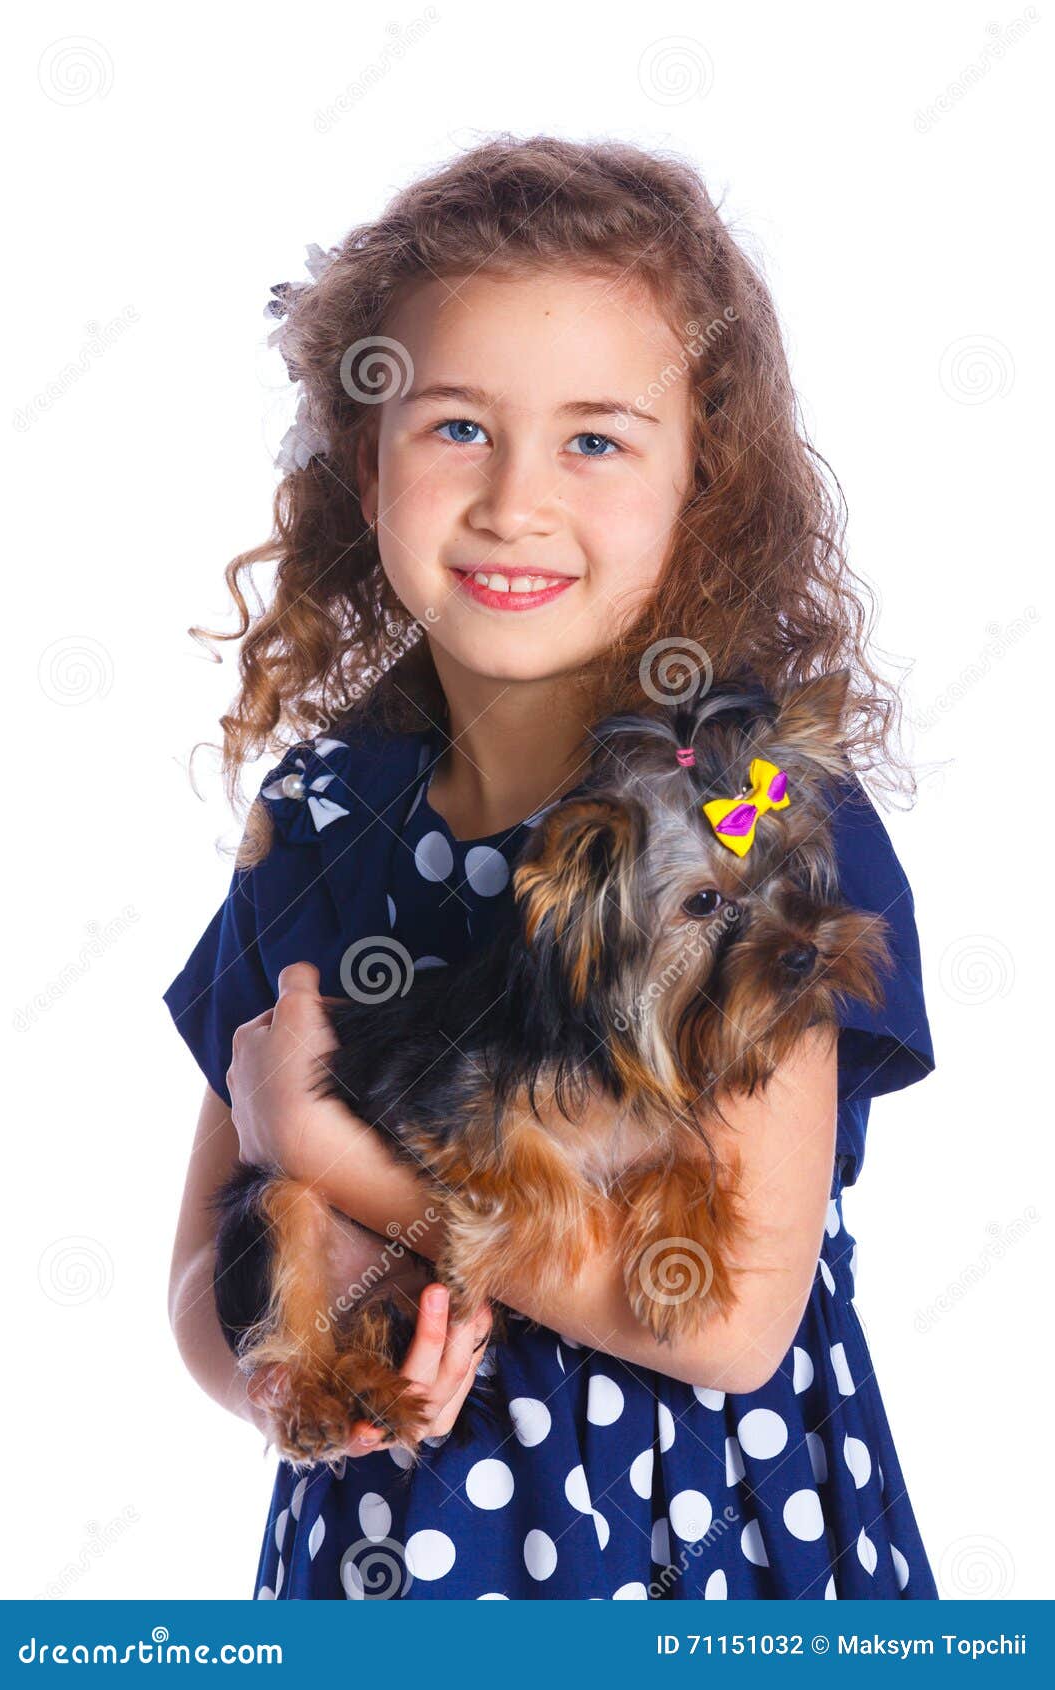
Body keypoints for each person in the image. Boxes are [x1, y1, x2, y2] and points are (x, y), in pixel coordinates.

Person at [164, 135, 938, 1600]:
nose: (515, 501)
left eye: (595, 439)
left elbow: (728, 1321)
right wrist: (292, 1388)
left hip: (705, 1547)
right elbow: (210, 1295)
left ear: (704, 478)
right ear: (362, 456)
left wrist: (338, 1162)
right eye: (455, 425)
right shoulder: (320, 819)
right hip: (393, 1557)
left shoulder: (749, 803)